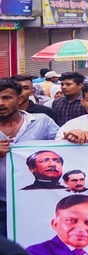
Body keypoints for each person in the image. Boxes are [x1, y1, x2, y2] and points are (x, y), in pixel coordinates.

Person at [0, 79, 59, 235]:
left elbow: (63, 148)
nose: (1, 103)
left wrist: (77, 135)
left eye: (6, 98)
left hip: (36, 198)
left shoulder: (42, 121)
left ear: (19, 99)